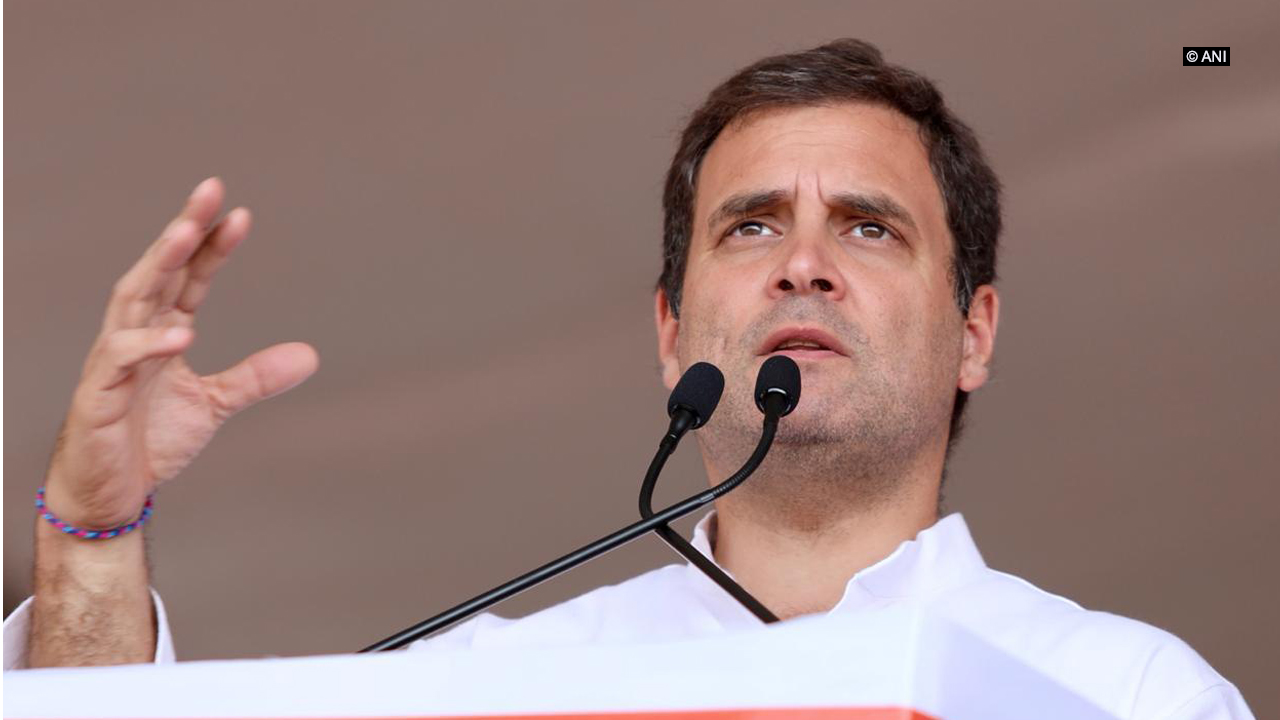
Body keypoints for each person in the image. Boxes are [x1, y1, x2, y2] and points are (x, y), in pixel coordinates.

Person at [2, 39, 1254, 718]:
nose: (802, 266)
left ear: (975, 331)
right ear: (670, 334)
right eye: (750, 226)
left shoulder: (1124, 694)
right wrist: (94, 540)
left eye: (868, 228)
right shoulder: (485, 688)